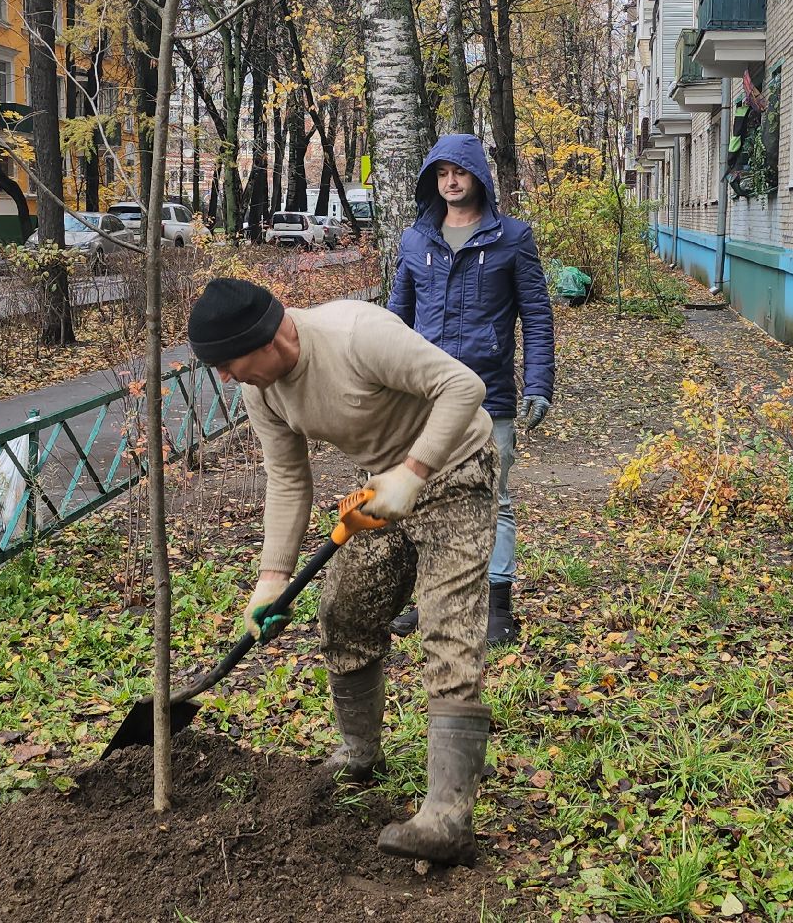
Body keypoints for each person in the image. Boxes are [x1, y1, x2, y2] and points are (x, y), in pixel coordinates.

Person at [186, 276, 497, 866]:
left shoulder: (357, 335)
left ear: (268, 335)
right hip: (381, 495)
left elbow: (465, 385)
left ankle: (448, 817)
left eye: (228, 362)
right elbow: (288, 479)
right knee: (344, 613)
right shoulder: (264, 389)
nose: (225, 378)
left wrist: (415, 470)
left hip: (455, 469)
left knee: (447, 628)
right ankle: (360, 752)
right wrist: (272, 578)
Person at [386, 134, 556, 647]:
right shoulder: (416, 241)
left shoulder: (512, 239)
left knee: (494, 497)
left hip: (489, 394)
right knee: (421, 495)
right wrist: (384, 381)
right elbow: (395, 319)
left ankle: (498, 605)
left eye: (459, 172)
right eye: (441, 174)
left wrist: (540, 382)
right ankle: (429, 597)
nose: (451, 182)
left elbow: (537, 316)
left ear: (478, 177)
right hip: (424, 396)